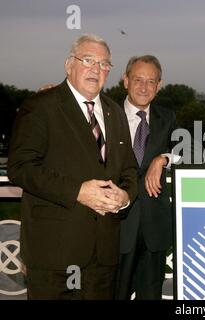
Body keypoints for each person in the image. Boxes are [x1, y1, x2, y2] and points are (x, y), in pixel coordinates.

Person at [7, 34, 138, 299]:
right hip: (54, 254)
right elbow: (20, 167)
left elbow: (129, 171)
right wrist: (77, 191)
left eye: (103, 64)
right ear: (69, 65)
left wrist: (125, 197)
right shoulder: (40, 106)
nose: (96, 69)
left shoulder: (116, 113)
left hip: (103, 255)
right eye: (88, 60)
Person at [114, 55, 176, 300]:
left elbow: (189, 149)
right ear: (125, 81)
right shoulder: (106, 113)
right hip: (115, 227)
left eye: (151, 81)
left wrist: (163, 159)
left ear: (159, 86)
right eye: (138, 79)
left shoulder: (167, 117)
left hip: (154, 228)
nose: (143, 87)